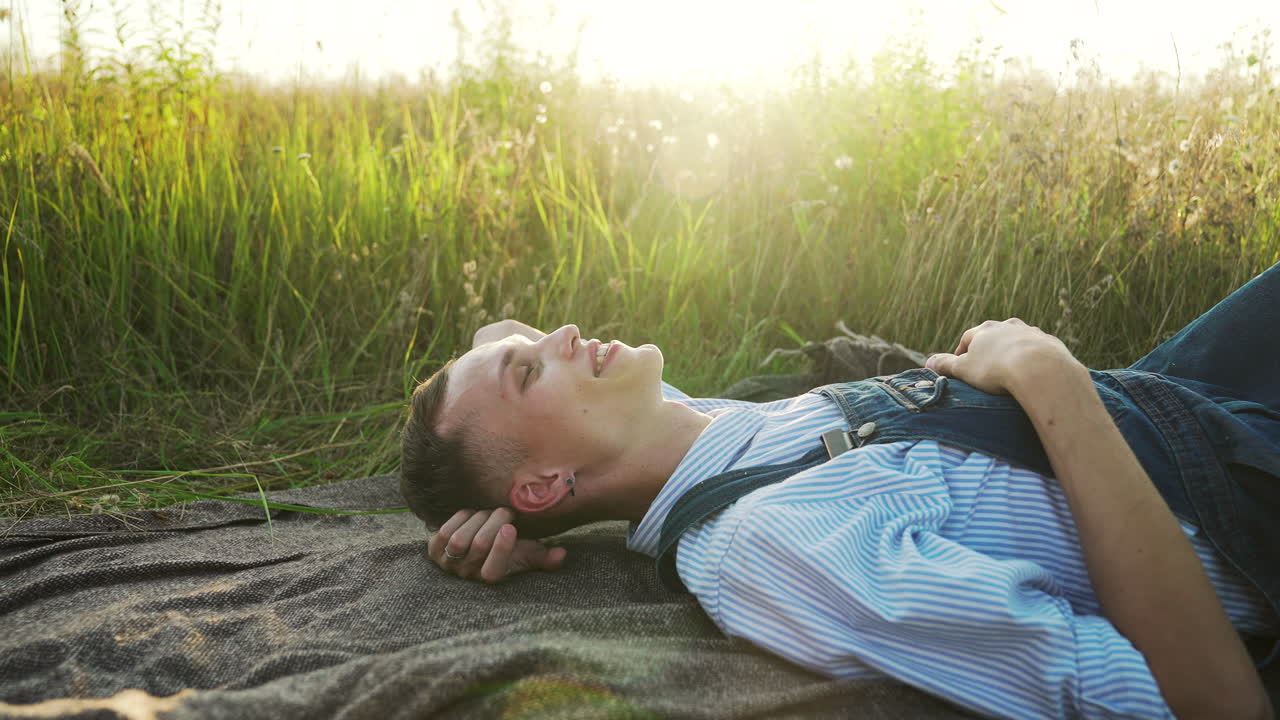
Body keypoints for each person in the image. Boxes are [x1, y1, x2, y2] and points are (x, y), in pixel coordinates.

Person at [398, 264, 1280, 720]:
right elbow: (1204, 703)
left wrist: (488, 499)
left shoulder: (690, 434)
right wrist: (1051, 379)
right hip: (1232, 489)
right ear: (548, 482)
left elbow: (496, 333)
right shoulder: (774, 543)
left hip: (1173, 399)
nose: (559, 329)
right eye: (526, 369)